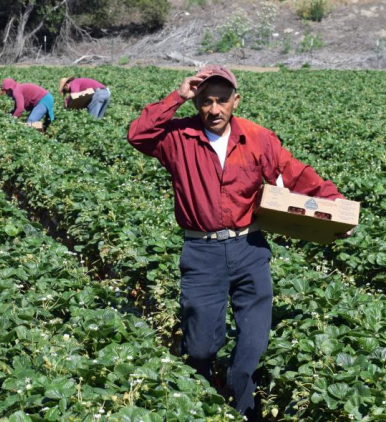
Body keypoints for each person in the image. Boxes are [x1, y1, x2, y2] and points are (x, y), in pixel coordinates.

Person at [127, 65, 350, 417]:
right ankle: (197, 397)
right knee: (200, 346)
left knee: (253, 340)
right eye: (205, 101)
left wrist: (334, 204)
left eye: (222, 100)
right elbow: (138, 135)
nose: (214, 109)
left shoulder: (257, 138)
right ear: (196, 102)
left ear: (236, 101)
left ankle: (242, 398)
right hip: (201, 250)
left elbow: (294, 173)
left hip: (249, 247)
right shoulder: (177, 138)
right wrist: (176, 96)